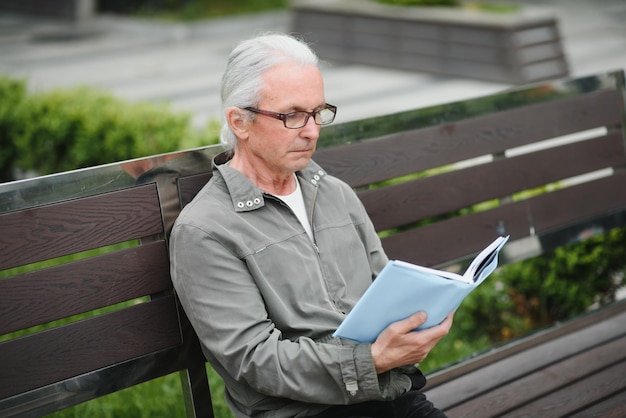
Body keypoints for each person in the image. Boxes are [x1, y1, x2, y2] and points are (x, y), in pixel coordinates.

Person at [169, 32, 454, 418]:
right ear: (240, 121)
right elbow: (255, 360)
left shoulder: (334, 193)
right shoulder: (205, 230)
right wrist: (371, 361)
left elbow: (383, 290)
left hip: (387, 395)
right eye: (292, 115)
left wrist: (421, 318)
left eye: (318, 112)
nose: (312, 131)